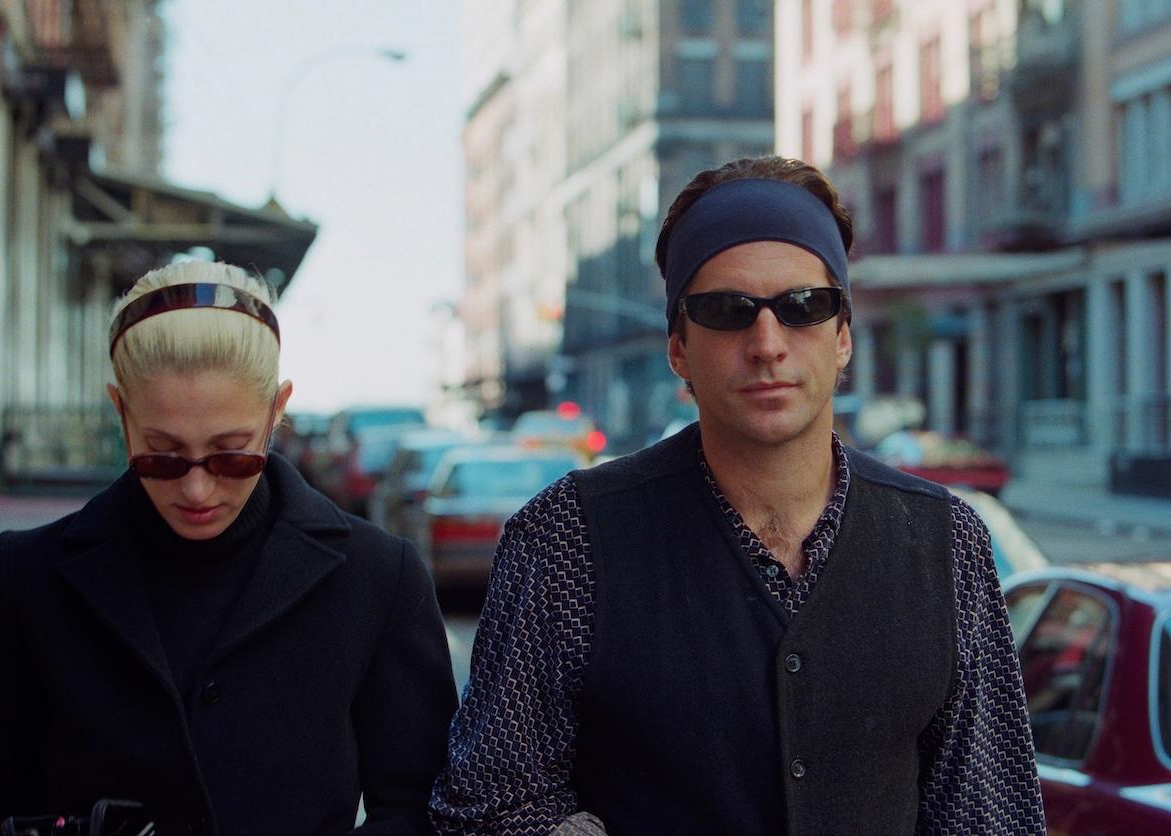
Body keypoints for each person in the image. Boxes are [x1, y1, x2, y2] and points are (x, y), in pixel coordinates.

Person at [430, 156, 1045, 834]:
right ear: (678, 349)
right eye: (727, 311)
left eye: (803, 307)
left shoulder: (944, 539)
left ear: (842, 336)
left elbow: (989, 813)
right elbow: (488, 805)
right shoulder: (568, 539)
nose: (767, 343)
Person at [0, 261, 457, 835]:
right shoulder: (24, 578)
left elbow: (422, 810)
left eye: (232, 454)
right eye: (162, 455)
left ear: (277, 411)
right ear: (120, 413)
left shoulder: (377, 576)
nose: (197, 488)